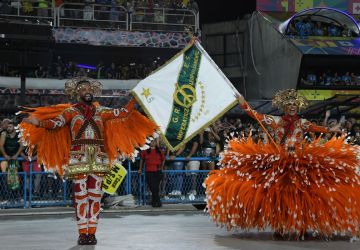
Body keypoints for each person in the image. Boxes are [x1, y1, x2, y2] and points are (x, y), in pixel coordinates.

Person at [204, 89, 360, 239]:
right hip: (280, 164)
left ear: (297, 106)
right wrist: (243, 104)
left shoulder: (303, 123)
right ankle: (280, 226)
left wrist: (331, 129)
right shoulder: (275, 121)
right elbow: (255, 115)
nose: (292, 107)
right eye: (289, 105)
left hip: (299, 164)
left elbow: (318, 129)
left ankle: (302, 226)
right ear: (285, 107)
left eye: (294, 105)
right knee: (278, 196)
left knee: (303, 196)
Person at [20, 77, 157, 245]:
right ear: (77, 93)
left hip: (99, 157)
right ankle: (82, 233)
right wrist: (38, 122)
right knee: (81, 196)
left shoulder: (101, 112)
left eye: (90, 89)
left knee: (95, 196)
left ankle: (91, 233)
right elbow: (55, 123)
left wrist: (134, 98)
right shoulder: (71, 111)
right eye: (84, 89)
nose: (88, 91)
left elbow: (122, 112)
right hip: (79, 157)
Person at [138, 139, 165, 207]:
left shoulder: (160, 151)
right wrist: (140, 169)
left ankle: (154, 202)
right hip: (149, 171)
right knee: (152, 187)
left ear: (156, 143)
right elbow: (141, 160)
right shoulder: (145, 151)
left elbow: (163, 159)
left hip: (157, 171)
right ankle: (157, 201)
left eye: (154, 141)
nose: (153, 143)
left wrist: (161, 167)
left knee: (155, 188)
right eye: (151, 141)